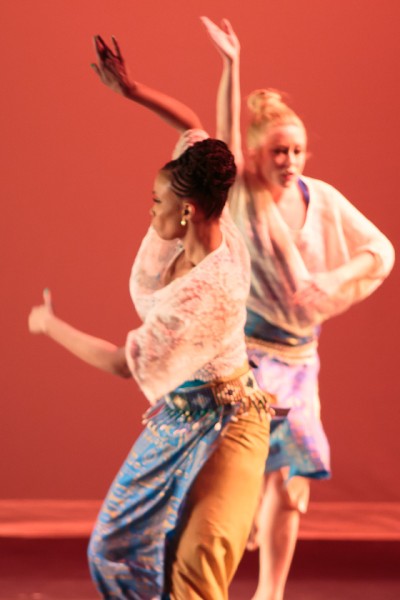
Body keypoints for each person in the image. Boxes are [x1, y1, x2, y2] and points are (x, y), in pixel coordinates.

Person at [89, 29, 394, 599]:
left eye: (299, 151)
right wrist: (226, 65)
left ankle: (271, 591)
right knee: (215, 502)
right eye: (279, 151)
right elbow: (210, 130)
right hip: (243, 362)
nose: (291, 161)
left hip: (294, 363)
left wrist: (334, 276)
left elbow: (380, 250)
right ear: (254, 157)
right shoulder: (240, 199)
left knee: (289, 484)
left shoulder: (318, 199)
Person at [28, 138, 274, 600]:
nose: (150, 210)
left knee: (194, 576)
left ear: (187, 209)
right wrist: (133, 91)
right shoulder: (199, 230)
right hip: (180, 418)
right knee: (115, 549)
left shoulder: (208, 290)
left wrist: (50, 325)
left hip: (230, 424)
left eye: (156, 201)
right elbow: (191, 125)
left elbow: (123, 364)